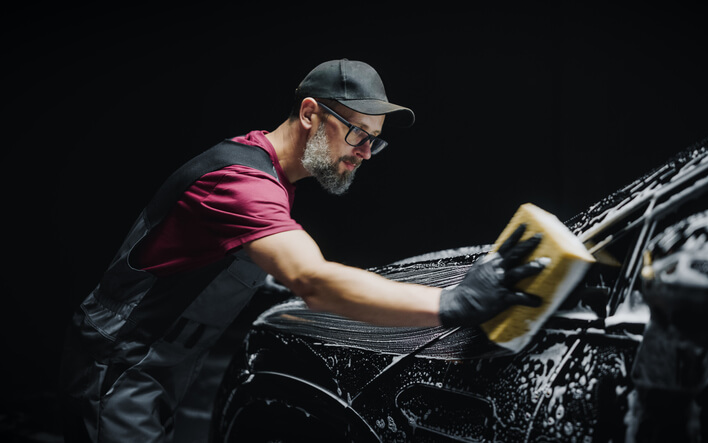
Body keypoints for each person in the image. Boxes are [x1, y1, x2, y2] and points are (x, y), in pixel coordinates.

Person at [59, 59, 545, 442]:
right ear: (311, 113)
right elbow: (310, 277)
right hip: (121, 367)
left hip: (159, 370)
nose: (365, 154)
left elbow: (215, 261)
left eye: (375, 142)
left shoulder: (271, 176)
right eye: (358, 134)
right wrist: (452, 303)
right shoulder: (242, 183)